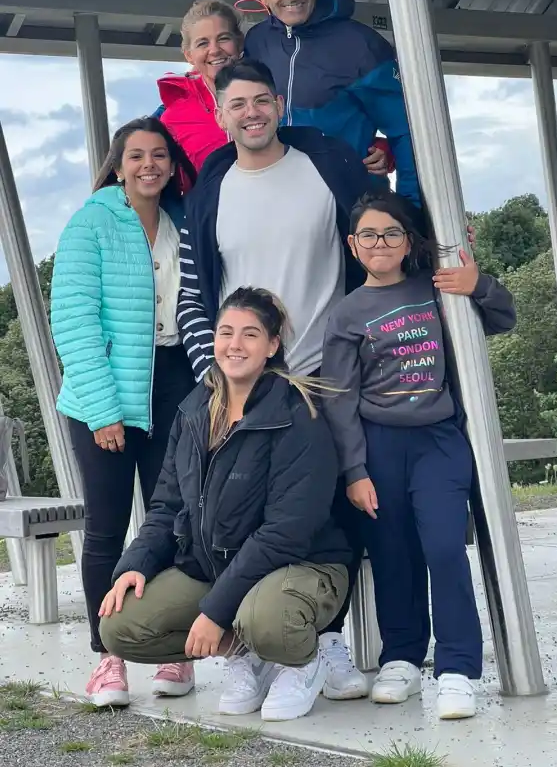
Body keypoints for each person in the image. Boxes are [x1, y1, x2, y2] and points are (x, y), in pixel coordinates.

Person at [176, 57, 372, 701]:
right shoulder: (214, 184)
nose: (251, 112)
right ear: (220, 112)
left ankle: (326, 641)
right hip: (244, 379)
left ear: (280, 103)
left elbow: (379, 233)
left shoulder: (326, 164)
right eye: (238, 104)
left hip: (323, 372)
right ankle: (255, 645)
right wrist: (214, 369)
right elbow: (197, 286)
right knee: (251, 513)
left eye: (262, 100)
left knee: (336, 511)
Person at [98, 287, 352, 722]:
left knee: (266, 619)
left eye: (250, 334)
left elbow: (285, 534)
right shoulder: (194, 410)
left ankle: (303, 662)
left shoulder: (299, 415)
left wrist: (216, 610)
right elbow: (165, 504)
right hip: (214, 566)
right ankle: (247, 653)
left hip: (303, 566)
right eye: (226, 332)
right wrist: (136, 563)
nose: (235, 345)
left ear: (272, 346)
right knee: (120, 627)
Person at [320, 190, 517, 720]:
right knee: (392, 554)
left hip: (438, 442)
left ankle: (456, 669)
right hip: (379, 447)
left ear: (408, 241)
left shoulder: (439, 291)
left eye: (391, 233)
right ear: (353, 245)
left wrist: (480, 286)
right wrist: (355, 471)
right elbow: (339, 400)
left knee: (444, 548)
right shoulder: (345, 314)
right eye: (368, 235)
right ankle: (402, 658)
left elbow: (503, 319)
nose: (380, 243)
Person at [50, 117, 197, 708]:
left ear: (171, 163)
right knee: (108, 528)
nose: (148, 165)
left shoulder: (182, 220)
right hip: (104, 392)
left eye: (159, 154)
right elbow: (75, 323)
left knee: (173, 521)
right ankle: (107, 656)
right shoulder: (91, 222)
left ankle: (170, 648)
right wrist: (106, 411)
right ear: (117, 163)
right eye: (136, 155)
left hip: (173, 382)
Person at [245, 0, 418, 201]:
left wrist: (411, 211)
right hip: (275, 203)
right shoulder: (256, 42)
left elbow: (406, 132)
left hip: (350, 206)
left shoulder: (362, 46)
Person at [155, 0, 390, 189]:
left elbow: (323, 127)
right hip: (221, 227)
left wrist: (379, 148)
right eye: (202, 43)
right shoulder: (174, 115)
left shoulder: (275, 84)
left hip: (292, 206)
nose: (214, 50)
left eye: (223, 38)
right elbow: (153, 164)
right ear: (188, 54)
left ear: (240, 42)